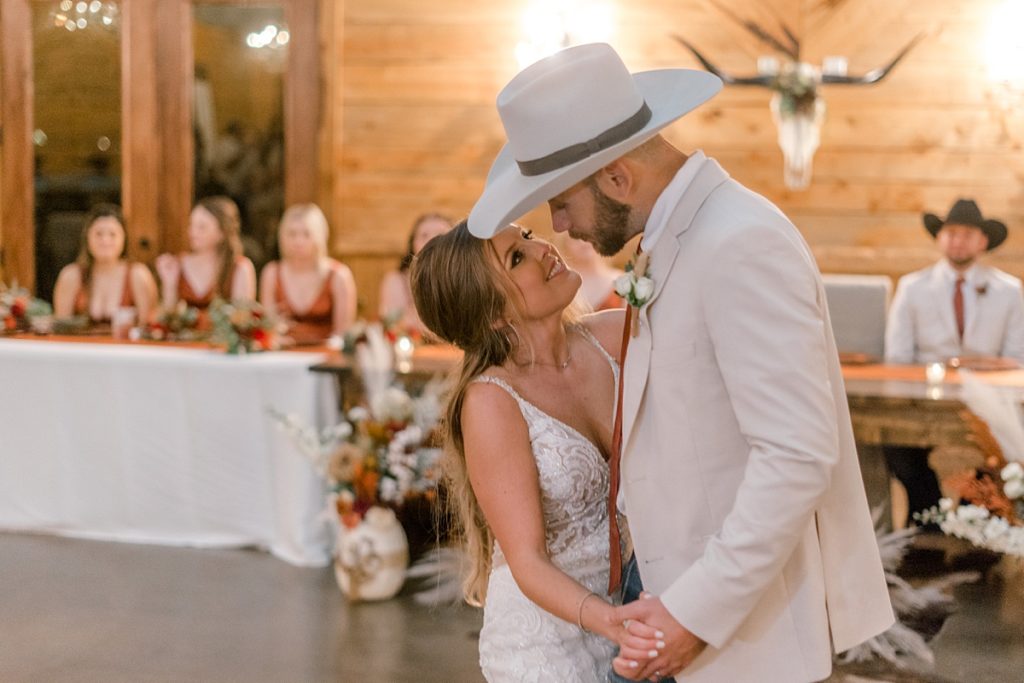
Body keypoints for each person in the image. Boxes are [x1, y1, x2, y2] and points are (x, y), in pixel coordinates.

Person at [466, 43, 892, 682]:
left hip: (743, 632)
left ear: (616, 178)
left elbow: (796, 456)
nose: (556, 225)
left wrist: (693, 615)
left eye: (561, 201)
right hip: (672, 612)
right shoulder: (676, 239)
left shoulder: (739, 241)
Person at [410, 221, 661, 681]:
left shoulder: (612, 338)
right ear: (492, 313)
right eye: (517, 258)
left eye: (526, 236)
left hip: (635, 612)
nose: (543, 247)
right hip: (547, 644)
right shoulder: (491, 401)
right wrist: (609, 621)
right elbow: (527, 560)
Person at [884, 198, 1024, 526]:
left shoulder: (1009, 291)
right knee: (894, 445)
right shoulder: (912, 287)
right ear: (940, 238)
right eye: (951, 233)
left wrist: (976, 368)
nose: (957, 240)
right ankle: (925, 522)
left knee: (1005, 448)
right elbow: (897, 357)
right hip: (921, 403)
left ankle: (978, 527)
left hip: (989, 405)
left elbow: (1017, 358)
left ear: (982, 241)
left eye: (966, 234)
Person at [259, 203, 357, 345]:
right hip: (282, 356)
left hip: (325, 358)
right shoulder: (272, 272)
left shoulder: (338, 275)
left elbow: (343, 333)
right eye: (292, 234)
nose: (299, 241)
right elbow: (267, 328)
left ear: (320, 236)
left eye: (306, 234)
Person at [53, 204, 158, 327]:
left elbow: (147, 328)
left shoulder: (138, 274)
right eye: (99, 234)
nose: (105, 241)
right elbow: (61, 327)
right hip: (82, 345)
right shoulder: (71, 275)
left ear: (124, 238)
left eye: (112, 234)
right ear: (87, 237)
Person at [155, 196, 257, 314]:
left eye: (202, 227)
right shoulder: (178, 264)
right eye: (191, 225)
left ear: (222, 233)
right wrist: (169, 283)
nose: (193, 232)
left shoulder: (239, 268)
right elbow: (169, 317)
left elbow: (243, 318)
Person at [378, 213, 453, 335]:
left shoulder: (466, 280)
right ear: (413, 244)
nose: (432, 241)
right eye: (424, 235)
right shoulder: (396, 281)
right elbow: (394, 325)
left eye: (441, 235)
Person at [558, 234, 625, 310]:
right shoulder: (562, 284)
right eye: (575, 236)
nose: (583, 242)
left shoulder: (622, 281)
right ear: (565, 243)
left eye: (587, 234)